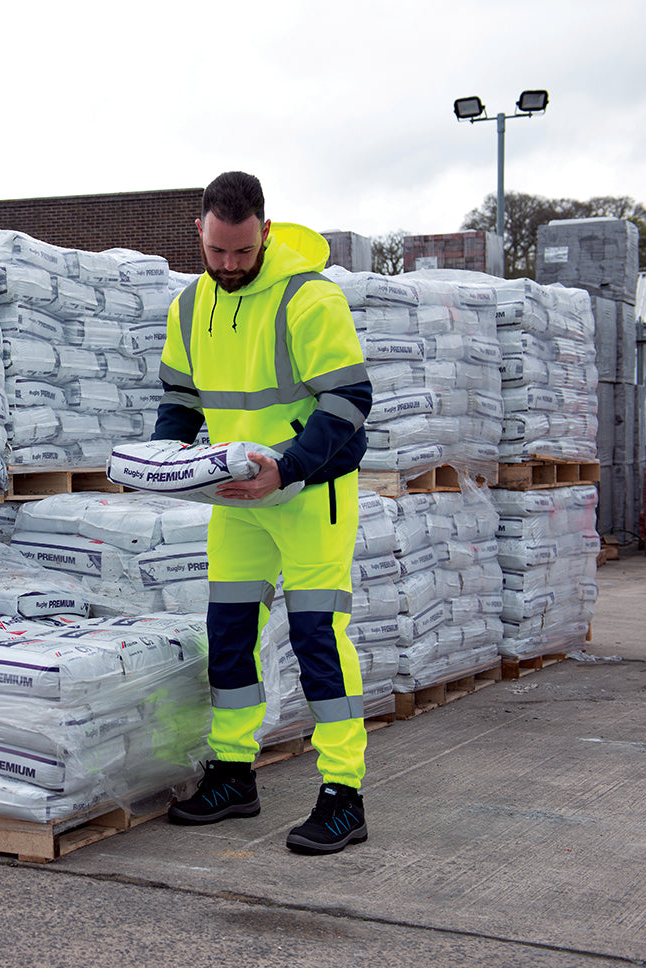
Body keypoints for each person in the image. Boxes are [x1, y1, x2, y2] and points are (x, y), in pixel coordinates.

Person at [152, 171, 373, 855]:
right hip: (236, 501)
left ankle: (343, 793)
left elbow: (348, 403)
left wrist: (289, 465)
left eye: (242, 254)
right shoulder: (190, 304)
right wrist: (161, 457)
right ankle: (233, 774)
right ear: (201, 233)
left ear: (265, 233)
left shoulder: (310, 298)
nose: (228, 266)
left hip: (309, 496)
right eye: (217, 252)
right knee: (228, 637)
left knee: (316, 641)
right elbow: (182, 401)